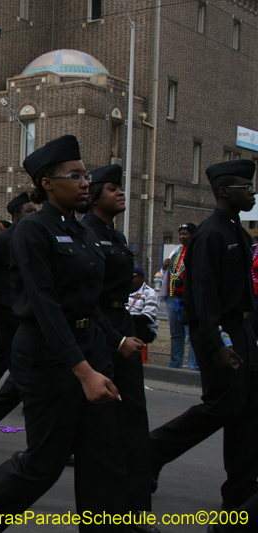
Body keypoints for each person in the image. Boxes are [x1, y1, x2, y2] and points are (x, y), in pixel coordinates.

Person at [0, 135, 130, 533]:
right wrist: (82, 371)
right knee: (45, 462)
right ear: (47, 183)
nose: (85, 183)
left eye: (86, 175)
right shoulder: (32, 230)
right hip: (48, 358)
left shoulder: (83, 232)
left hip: (90, 350)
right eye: (75, 176)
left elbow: (89, 302)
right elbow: (46, 306)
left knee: (103, 457)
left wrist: (114, 342)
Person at [149, 160, 258, 512]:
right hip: (221, 333)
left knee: (246, 415)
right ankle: (152, 451)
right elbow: (204, 294)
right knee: (222, 407)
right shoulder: (211, 234)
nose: (253, 192)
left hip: (241, 331)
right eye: (246, 186)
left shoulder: (238, 232)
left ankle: (239, 498)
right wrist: (217, 344)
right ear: (224, 191)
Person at [82, 164, 154, 533]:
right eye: (112, 188)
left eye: (120, 187)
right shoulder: (84, 233)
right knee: (102, 433)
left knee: (133, 422)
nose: (120, 193)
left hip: (122, 325)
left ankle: (136, 511)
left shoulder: (117, 236)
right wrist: (116, 338)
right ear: (95, 195)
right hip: (99, 332)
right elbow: (86, 298)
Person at [0, 192, 38, 429]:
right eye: (29, 211)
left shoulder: (34, 237)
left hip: (26, 309)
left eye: (35, 211)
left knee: (3, 355)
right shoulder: (4, 239)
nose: (34, 215)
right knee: (23, 362)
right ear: (16, 216)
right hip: (7, 309)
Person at [159, 223, 198, 370]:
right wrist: (164, 267)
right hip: (173, 296)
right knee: (176, 334)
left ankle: (193, 366)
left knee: (191, 334)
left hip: (188, 299)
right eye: (180, 234)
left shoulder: (197, 251)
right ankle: (175, 365)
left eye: (185, 234)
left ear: (193, 235)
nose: (182, 237)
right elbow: (167, 275)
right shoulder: (176, 252)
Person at [129, 265, 159, 345]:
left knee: (126, 326)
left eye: (133, 277)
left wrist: (126, 317)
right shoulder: (125, 291)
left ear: (142, 279)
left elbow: (148, 318)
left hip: (146, 330)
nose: (129, 280)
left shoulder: (150, 293)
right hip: (128, 323)